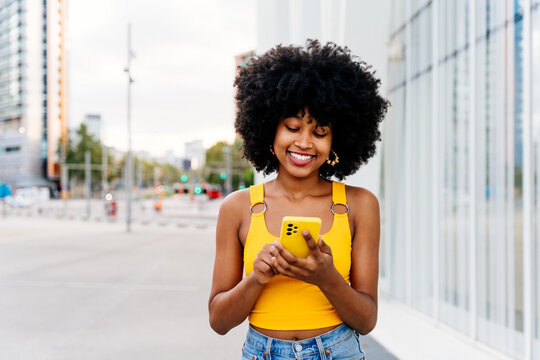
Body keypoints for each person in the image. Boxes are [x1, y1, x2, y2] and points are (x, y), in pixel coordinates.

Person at [209, 40, 389, 359]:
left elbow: (366, 319)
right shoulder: (237, 208)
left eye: (320, 132)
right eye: (292, 127)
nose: (304, 142)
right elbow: (219, 321)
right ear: (269, 130)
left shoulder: (360, 205)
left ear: (337, 140)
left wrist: (326, 277)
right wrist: (257, 278)